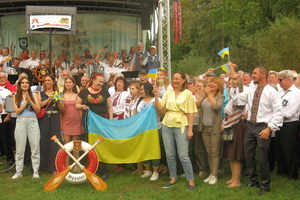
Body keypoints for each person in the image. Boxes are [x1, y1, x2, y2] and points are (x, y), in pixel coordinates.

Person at [230, 66, 283, 196]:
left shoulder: (272, 91)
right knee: (248, 156)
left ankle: (265, 185)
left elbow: (278, 112)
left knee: (262, 157)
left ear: (263, 74)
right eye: (252, 73)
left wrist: (269, 128)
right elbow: (237, 99)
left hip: (263, 127)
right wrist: (235, 85)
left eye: (255, 73)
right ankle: (253, 181)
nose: (252, 75)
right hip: (250, 126)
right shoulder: (251, 90)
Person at [154, 72, 198, 190]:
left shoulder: (188, 93)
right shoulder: (169, 92)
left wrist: (190, 130)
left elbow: (191, 112)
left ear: (184, 80)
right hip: (167, 124)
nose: (175, 80)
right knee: (170, 155)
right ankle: (173, 178)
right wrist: (156, 96)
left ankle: (191, 181)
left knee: (183, 155)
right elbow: (160, 108)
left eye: (177, 79)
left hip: (181, 124)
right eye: (173, 78)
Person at [76, 73, 113, 181]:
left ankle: (103, 170)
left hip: (102, 121)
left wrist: (110, 120)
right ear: (93, 80)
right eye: (99, 81)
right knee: (87, 142)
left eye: (103, 82)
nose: (101, 84)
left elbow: (110, 106)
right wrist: (82, 106)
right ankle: (87, 168)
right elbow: (76, 105)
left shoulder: (105, 91)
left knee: (100, 143)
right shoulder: (83, 92)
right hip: (88, 120)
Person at [196, 77, 224, 185]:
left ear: (218, 86)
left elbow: (216, 107)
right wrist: (204, 95)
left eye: (214, 83)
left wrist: (211, 95)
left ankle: (214, 175)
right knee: (208, 152)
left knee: (215, 152)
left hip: (215, 128)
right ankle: (212, 173)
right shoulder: (205, 96)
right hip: (204, 128)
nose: (211, 84)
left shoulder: (220, 96)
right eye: (210, 82)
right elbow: (196, 106)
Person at [12, 77, 40, 179]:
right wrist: (26, 103)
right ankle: (18, 171)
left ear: (29, 85)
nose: (25, 84)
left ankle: (35, 170)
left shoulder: (34, 95)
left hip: (32, 120)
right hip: (21, 121)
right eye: (22, 83)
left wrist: (30, 101)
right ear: (19, 85)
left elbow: (37, 110)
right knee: (20, 147)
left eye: (27, 83)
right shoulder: (16, 96)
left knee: (35, 146)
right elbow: (17, 111)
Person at [221, 77, 246, 188]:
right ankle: (233, 177)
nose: (230, 86)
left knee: (235, 155)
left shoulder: (240, 99)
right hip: (230, 126)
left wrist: (225, 124)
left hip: (237, 127)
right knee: (231, 155)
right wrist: (224, 123)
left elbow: (236, 116)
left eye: (234, 84)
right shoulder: (232, 100)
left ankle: (237, 180)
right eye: (230, 84)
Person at [275, 70, 300, 180]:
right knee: (278, 149)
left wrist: (275, 118)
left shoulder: (296, 93)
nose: (279, 82)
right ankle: (282, 171)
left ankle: (292, 174)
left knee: (289, 150)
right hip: (278, 124)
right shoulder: (279, 91)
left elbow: (290, 112)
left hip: (289, 125)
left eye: (280, 80)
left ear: (288, 80)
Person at [38, 74, 64, 174]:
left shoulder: (59, 93)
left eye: (49, 80)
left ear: (53, 82)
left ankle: (53, 167)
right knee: (43, 140)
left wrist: (57, 101)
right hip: (44, 118)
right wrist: (49, 98)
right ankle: (42, 165)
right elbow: (39, 105)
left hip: (55, 118)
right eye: (46, 81)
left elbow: (62, 110)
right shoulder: (41, 93)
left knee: (54, 142)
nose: (47, 82)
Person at [137, 82, 161, 181]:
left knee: (154, 149)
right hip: (143, 129)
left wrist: (157, 105)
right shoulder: (140, 101)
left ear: (148, 89)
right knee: (145, 149)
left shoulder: (156, 100)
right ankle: (148, 170)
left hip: (155, 129)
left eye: (142, 89)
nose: (141, 91)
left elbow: (162, 112)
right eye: (140, 89)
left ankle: (155, 171)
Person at [61, 76, 83, 144]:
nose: (67, 84)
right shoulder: (61, 95)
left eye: (70, 82)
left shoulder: (78, 95)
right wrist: (61, 124)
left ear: (73, 84)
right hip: (66, 121)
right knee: (66, 146)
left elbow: (80, 110)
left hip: (76, 122)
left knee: (75, 146)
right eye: (66, 82)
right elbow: (60, 111)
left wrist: (82, 124)